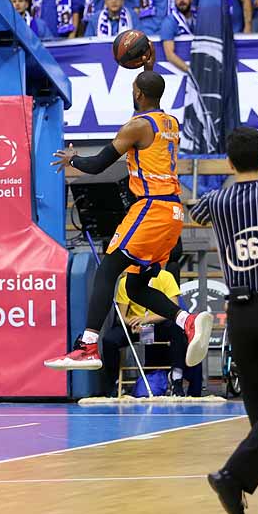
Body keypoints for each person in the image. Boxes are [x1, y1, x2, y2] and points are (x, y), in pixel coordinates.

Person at [44, 71, 213, 370]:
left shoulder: (137, 127)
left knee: (108, 267)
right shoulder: (170, 123)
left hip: (152, 207)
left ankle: (87, 346)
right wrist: (147, 65)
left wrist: (72, 159)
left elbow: (97, 165)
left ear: (138, 94)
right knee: (135, 286)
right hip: (173, 214)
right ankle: (187, 321)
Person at [190, 127, 258, 514]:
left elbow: (192, 210)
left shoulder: (215, 200)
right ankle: (234, 476)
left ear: (229, 164)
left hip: (239, 312)